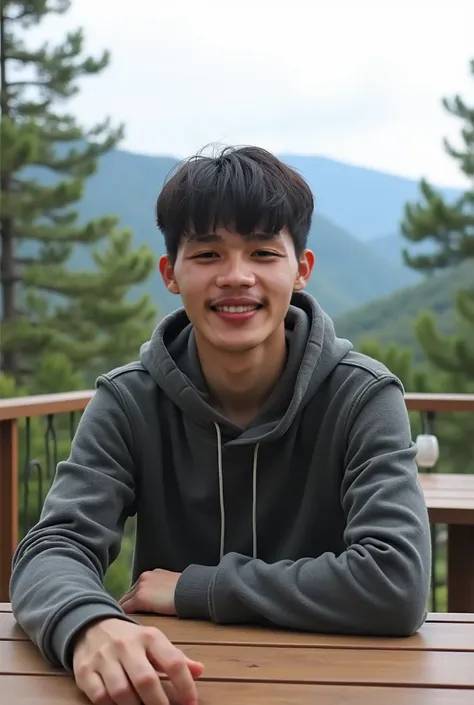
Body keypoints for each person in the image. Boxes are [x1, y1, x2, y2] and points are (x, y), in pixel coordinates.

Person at [10, 145, 432, 705]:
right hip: (178, 686)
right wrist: (88, 626)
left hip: (333, 684)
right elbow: (53, 548)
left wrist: (196, 588)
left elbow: (397, 582)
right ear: (170, 273)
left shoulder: (360, 395)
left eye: (262, 252)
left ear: (300, 270)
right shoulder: (129, 400)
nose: (236, 277)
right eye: (207, 254)